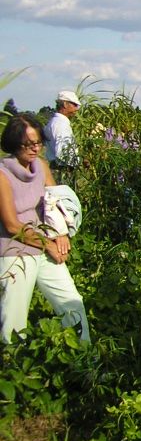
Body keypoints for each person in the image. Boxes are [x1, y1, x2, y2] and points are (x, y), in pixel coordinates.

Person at [0, 113, 90, 343]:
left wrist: (61, 233)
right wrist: (48, 244)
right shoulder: (3, 175)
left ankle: (84, 359)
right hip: (15, 252)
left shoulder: (40, 165)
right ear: (13, 143)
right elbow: (11, 225)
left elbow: (54, 201)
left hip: (42, 244)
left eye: (38, 143)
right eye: (28, 144)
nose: (35, 149)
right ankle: (13, 365)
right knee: (14, 317)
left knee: (71, 302)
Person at [43, 90, 82, 178]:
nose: (76, 109)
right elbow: (63, 153)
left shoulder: (54, 122)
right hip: (62, 170)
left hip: (56, 167)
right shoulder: (61, 124)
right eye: (74, 105)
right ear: (65, 104)